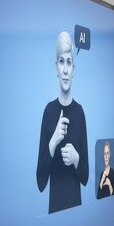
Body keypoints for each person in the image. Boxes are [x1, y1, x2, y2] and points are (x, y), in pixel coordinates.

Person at [36, 31, 89, 213]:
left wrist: (76, 159)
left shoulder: (79, 112)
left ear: (73, 68)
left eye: (69, 62)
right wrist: (53, 142)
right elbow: (40, 182)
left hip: (76, 213)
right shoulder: (49, 111)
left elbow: (85, 177)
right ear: (56, 68)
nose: (65, 69)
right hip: (54, 216)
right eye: (61, 62)